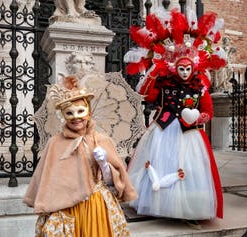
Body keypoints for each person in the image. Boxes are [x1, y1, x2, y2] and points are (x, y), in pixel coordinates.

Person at [124, 9, 226, 229]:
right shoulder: (163, 83)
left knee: (187, 168)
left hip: (189, 134)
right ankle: (157, 204)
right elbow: (145, 94)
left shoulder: (200, 87)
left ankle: (187, 208)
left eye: (188, 68)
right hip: (162, 130)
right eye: (181, 68)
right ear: (174, 67)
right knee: (159, 164)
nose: (185, 72)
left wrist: (199, 115)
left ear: (194, 67)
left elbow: (208, 111)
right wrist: (154, 69)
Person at [23, 75, 137, 236]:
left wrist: (104, 163)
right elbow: (48, 180)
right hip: (66, 208)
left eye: (80, 111)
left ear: (89, 112)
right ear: (63, 115)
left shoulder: (103, 141)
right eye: (69, 113)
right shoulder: (55, 143)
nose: (76, 117)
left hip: (97, 206)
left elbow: (114, 182)